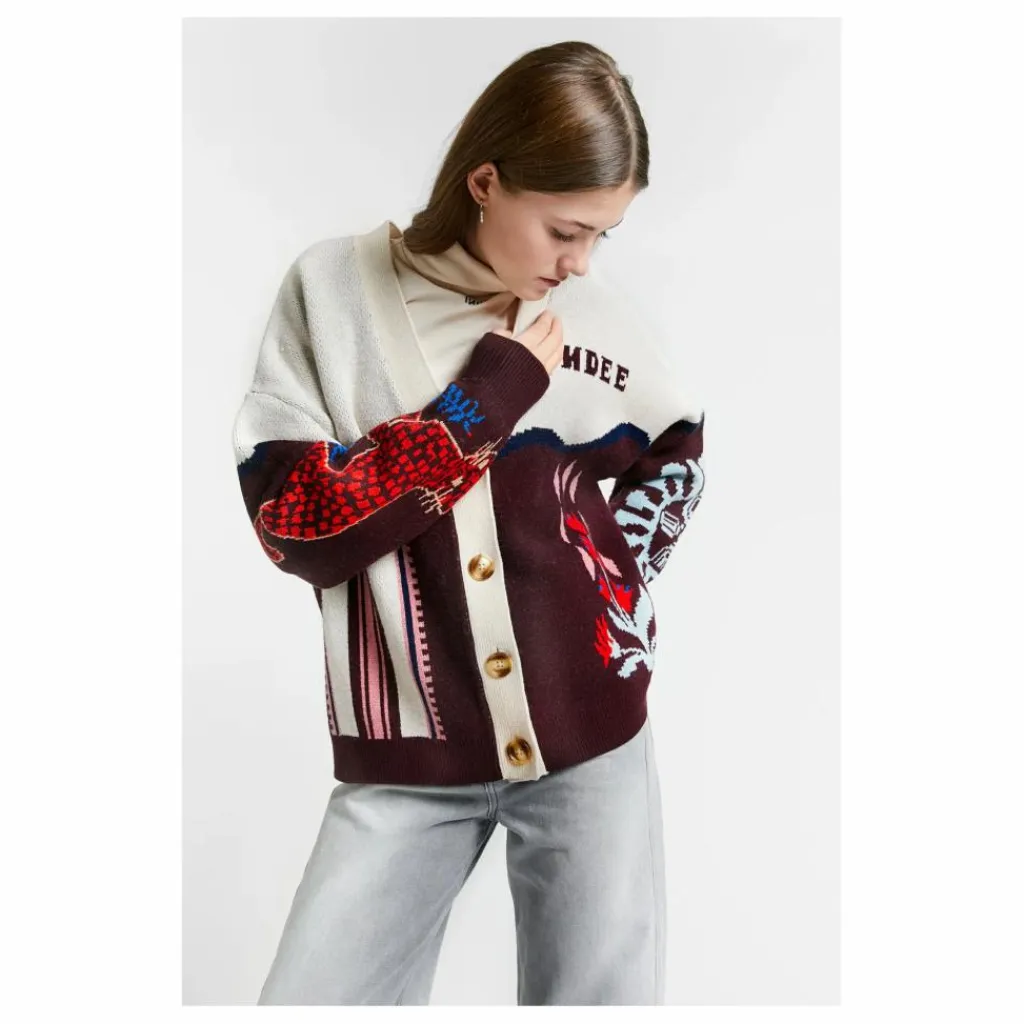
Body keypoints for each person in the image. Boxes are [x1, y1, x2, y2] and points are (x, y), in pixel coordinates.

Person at [231, 40, 706, 1006]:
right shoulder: (331, 295)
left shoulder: (595, 320)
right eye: (565, 230)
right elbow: (295, 525)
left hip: (594, 750)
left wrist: (606, 602)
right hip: (407, 759)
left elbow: (677, 452)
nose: (579, 263)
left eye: (602, 236)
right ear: (485, 183)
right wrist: (482, 406)